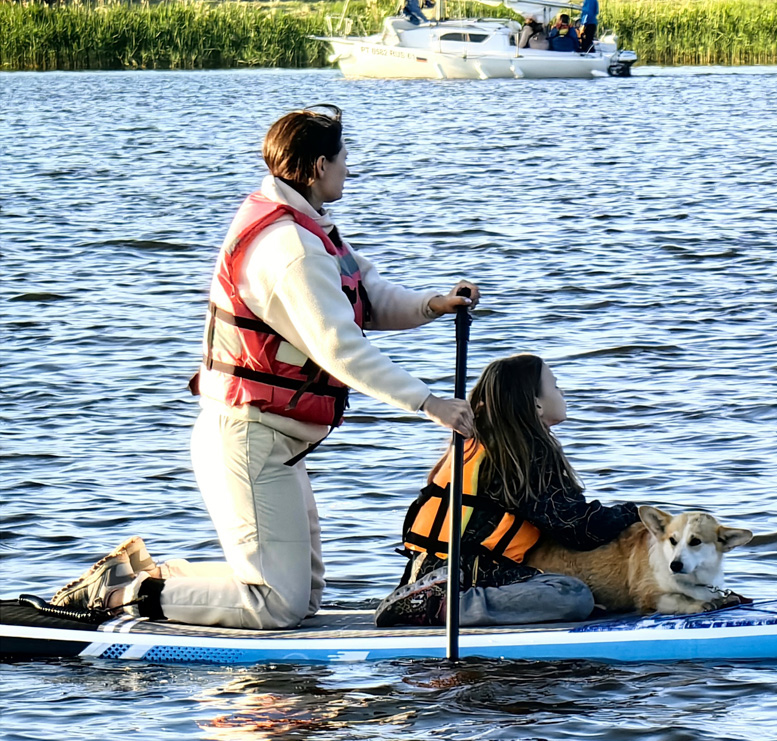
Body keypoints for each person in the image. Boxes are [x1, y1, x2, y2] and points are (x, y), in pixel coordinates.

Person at [51, 105, 479, 630]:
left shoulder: (309, 229)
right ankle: (124, 594)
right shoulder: (290, 249)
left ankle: (139, 577)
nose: (350, 168)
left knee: (305, 596)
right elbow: (339, 348)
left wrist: (431, 305)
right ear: (319, 165)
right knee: (276, 604)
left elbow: (365, 293)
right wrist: (430, 404)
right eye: (345, 159)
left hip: (279, 443)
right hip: (249, 437)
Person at [375, 354, 642, 627]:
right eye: (555, 385)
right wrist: (638, 514)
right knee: (572, 595)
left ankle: (430, 601)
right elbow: (579, 529)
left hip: (431, 571)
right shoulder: (520, 456)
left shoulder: (480, 444)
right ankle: (440, 606)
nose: (562, 392)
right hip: (468, 576)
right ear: (535, 404)